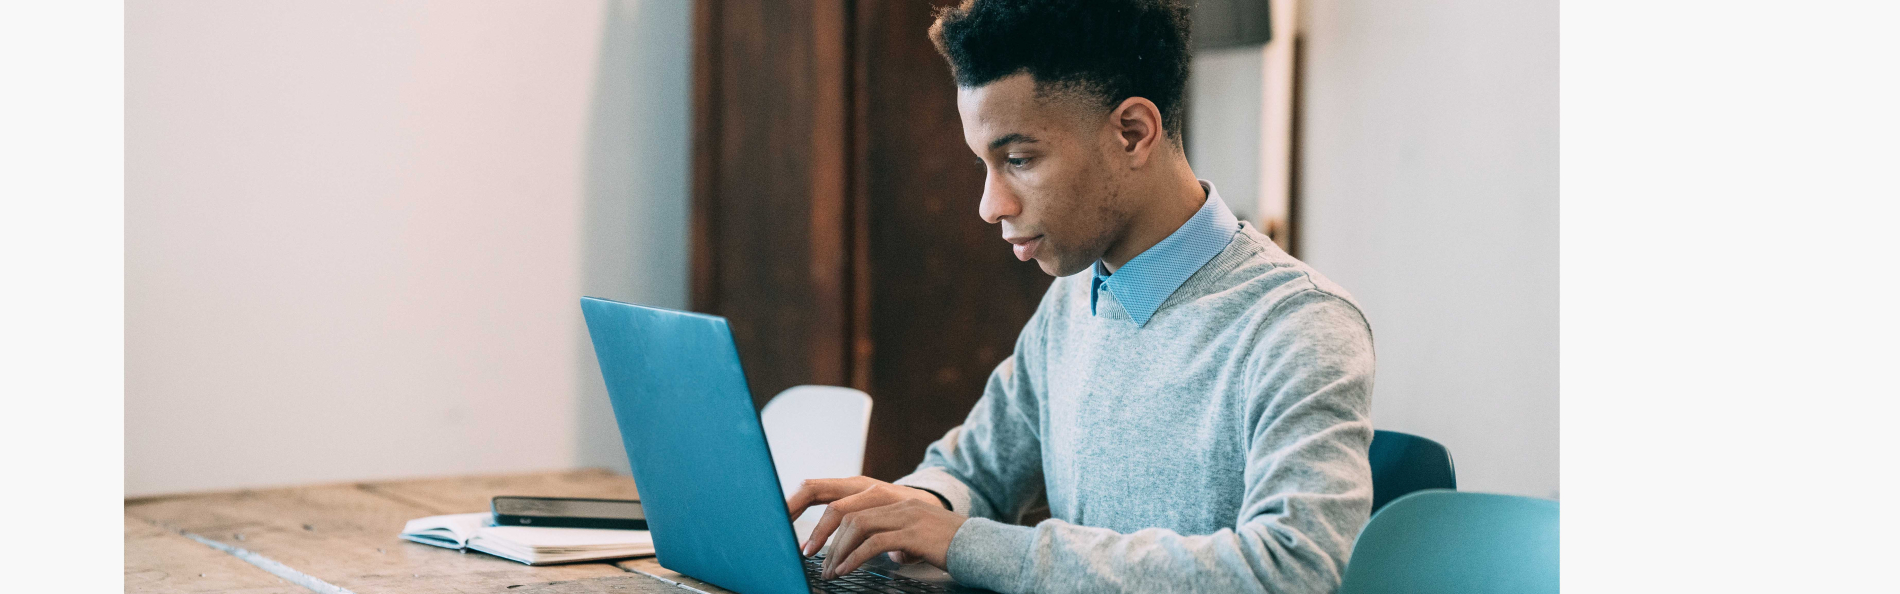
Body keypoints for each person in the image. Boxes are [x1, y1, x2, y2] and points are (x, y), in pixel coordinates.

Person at [785, 1, 1376, 592]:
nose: (991, 206)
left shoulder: (1300, 326)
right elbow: (974, 472)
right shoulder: (1073, 299)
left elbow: (1293, 571)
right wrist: (909, 509)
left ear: (1133, 133)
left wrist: (964, 541)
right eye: (984, 165)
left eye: (1018, 160)